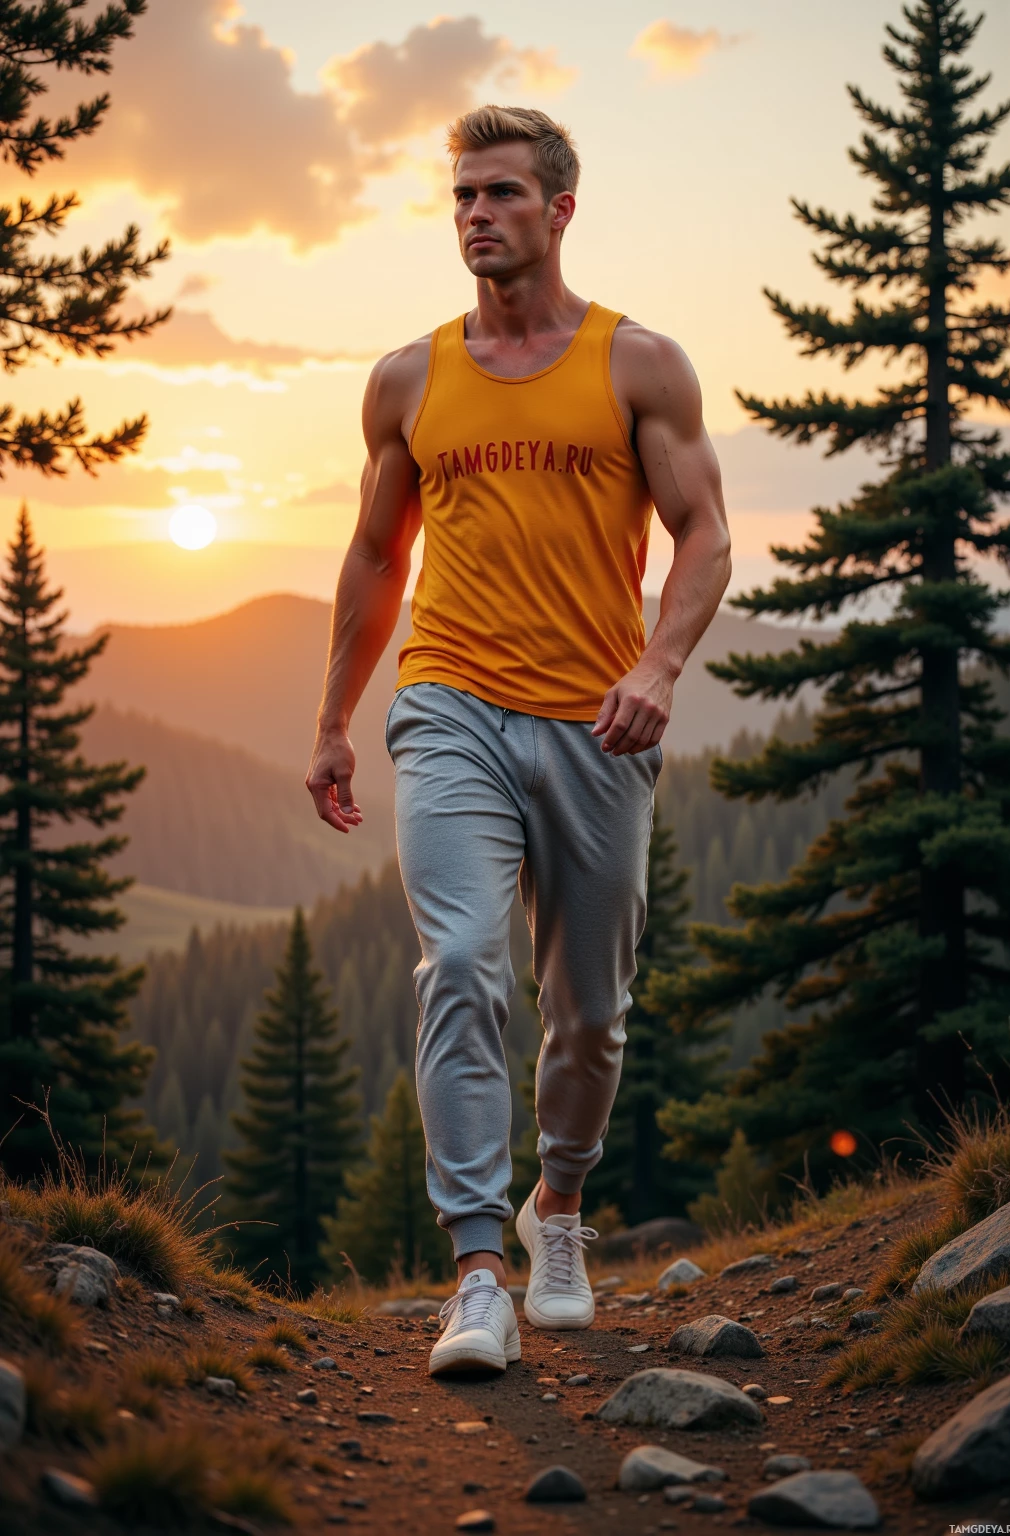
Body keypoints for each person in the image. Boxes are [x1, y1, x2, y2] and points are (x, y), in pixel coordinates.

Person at [307, 105, 730, 1378]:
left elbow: (705, 535)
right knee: (460, 967)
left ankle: (560, 1208)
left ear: (559, 209)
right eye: (461, 196)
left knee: (588, 1013)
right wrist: (333, 719)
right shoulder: (408, 378)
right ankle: (478, 1272)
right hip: (449, 707)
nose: (476, 214)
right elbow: (375, 555)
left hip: (599, 720)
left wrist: (658, 665)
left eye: (499, 193)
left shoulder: (638, 364)